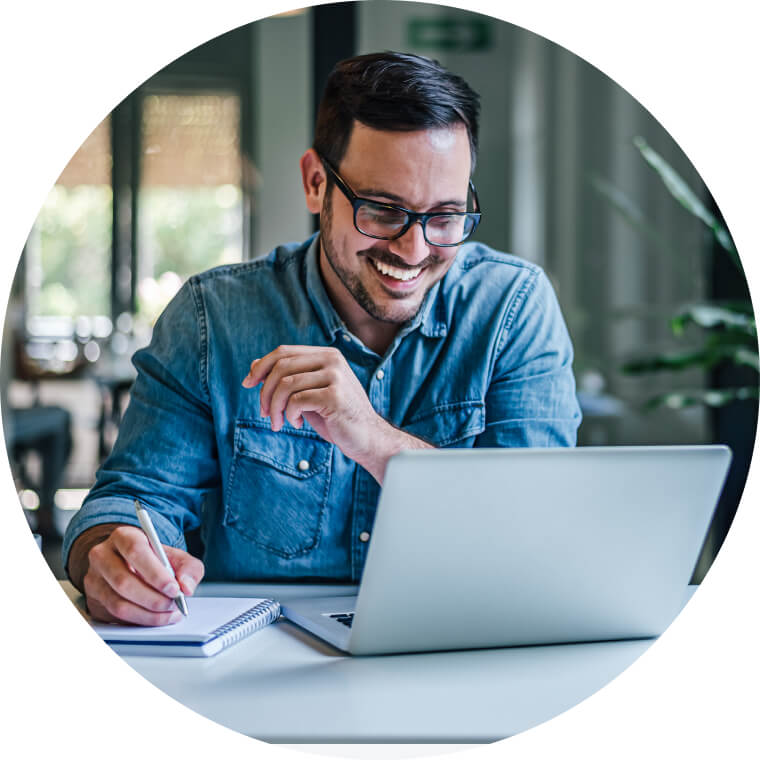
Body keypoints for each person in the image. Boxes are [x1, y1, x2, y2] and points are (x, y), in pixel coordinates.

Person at [63, 52, 581, 626]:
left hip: (459, 648)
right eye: (382, 210)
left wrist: (374, 440)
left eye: (445, 216)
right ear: (316, 183)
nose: (413, 250)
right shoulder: (214, 317)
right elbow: (133, 498)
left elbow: (537, 529)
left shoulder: (512, 308)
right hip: (257, 668)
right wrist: (113, 558)